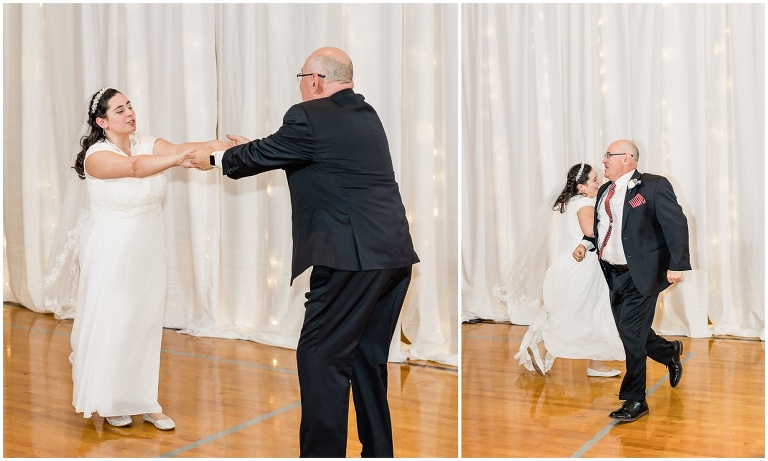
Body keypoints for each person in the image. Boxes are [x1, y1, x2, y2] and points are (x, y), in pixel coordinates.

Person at [190, 47, 419, 457]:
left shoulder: (308, 115)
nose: (299, 84)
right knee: (367, 359)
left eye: (300, 76)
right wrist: (250, 148)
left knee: (320, 358)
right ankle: (379, 453)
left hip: (351, 260)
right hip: (394, 257)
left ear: (314, 80)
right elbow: (297, 151)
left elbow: (269, 152)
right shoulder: (365, 114)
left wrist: (214, 157)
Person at [58, 87, 231, 430]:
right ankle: (110, 401)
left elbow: (186, 148)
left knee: (145, 323)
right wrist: (178, 161)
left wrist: (236, 146)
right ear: (102, 121)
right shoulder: (97, 156)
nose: (130, 113)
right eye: (120, 110)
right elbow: (135, 168)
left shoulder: (145, 142)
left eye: (130, 106)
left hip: (149, 248)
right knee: (118, 322)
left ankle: (144, 400)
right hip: (113, 250)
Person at [573, 139, 690, 422]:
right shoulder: (603, 190)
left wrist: (677, 264)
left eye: (608, 156)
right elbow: (602, 229)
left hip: (644, 273)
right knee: (631, 333)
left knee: (632, 337)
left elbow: (676, 224)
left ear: (627, 158)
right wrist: (585, 245)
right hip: (613, 274)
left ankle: (635, 399)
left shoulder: (654, 185)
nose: (603, 161)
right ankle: (668, 351)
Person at [496, 163, 625, 377]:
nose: (599, 181)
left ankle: (596, 363)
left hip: (577, 264)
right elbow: (590, 232)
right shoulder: (585, 203)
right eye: (594, 179)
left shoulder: (576, 201)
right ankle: (542, 347)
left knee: (591, 313)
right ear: (581, 187)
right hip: (583, 268)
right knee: (578, 313)